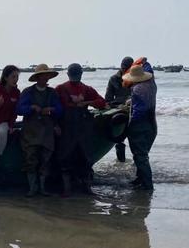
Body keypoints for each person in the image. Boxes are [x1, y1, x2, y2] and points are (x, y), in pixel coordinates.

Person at [55, 63, 107, 196]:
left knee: (81, 157)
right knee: (69, 156)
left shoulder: (84, 89)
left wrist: (86, 103)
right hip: (69, 127)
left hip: (79, 128)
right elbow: (102, 103)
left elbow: (101, 102)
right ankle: (73, 188)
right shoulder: (62, 89)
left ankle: (76, 188)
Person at [16, 63, 63, 196]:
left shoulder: (52, 93)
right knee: (30, 158)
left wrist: (52, 109)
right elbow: (19, 109)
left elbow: (60, 110)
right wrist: (32, 108)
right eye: (43, 76)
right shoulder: (28, 92)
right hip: (30, 131)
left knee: (46, 159)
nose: (45, 78)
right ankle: (32, 188)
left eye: (47, 76)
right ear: (37, 78)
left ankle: (42, 188)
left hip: (47, 130)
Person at [123, 62, 158, 190]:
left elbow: (138, 111)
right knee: (143, 154)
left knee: (140, 156)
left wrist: (130, 127)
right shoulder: (152, 85)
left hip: (140, 127)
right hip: (152, 126)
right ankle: (140, 179)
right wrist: (143, 61)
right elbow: (149, 67)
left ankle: (148, 185)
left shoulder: (137, 89)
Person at [105, 56, 134, 162]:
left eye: (127, 68)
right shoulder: (114, 79)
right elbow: (108, 98)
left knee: (134, 139)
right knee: (119, 139)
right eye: (123, 67)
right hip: (118, 111)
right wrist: (115, 107)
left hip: (133, 110)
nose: (124, 70)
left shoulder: (135, 79)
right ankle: (121, 162)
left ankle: (137, 165)